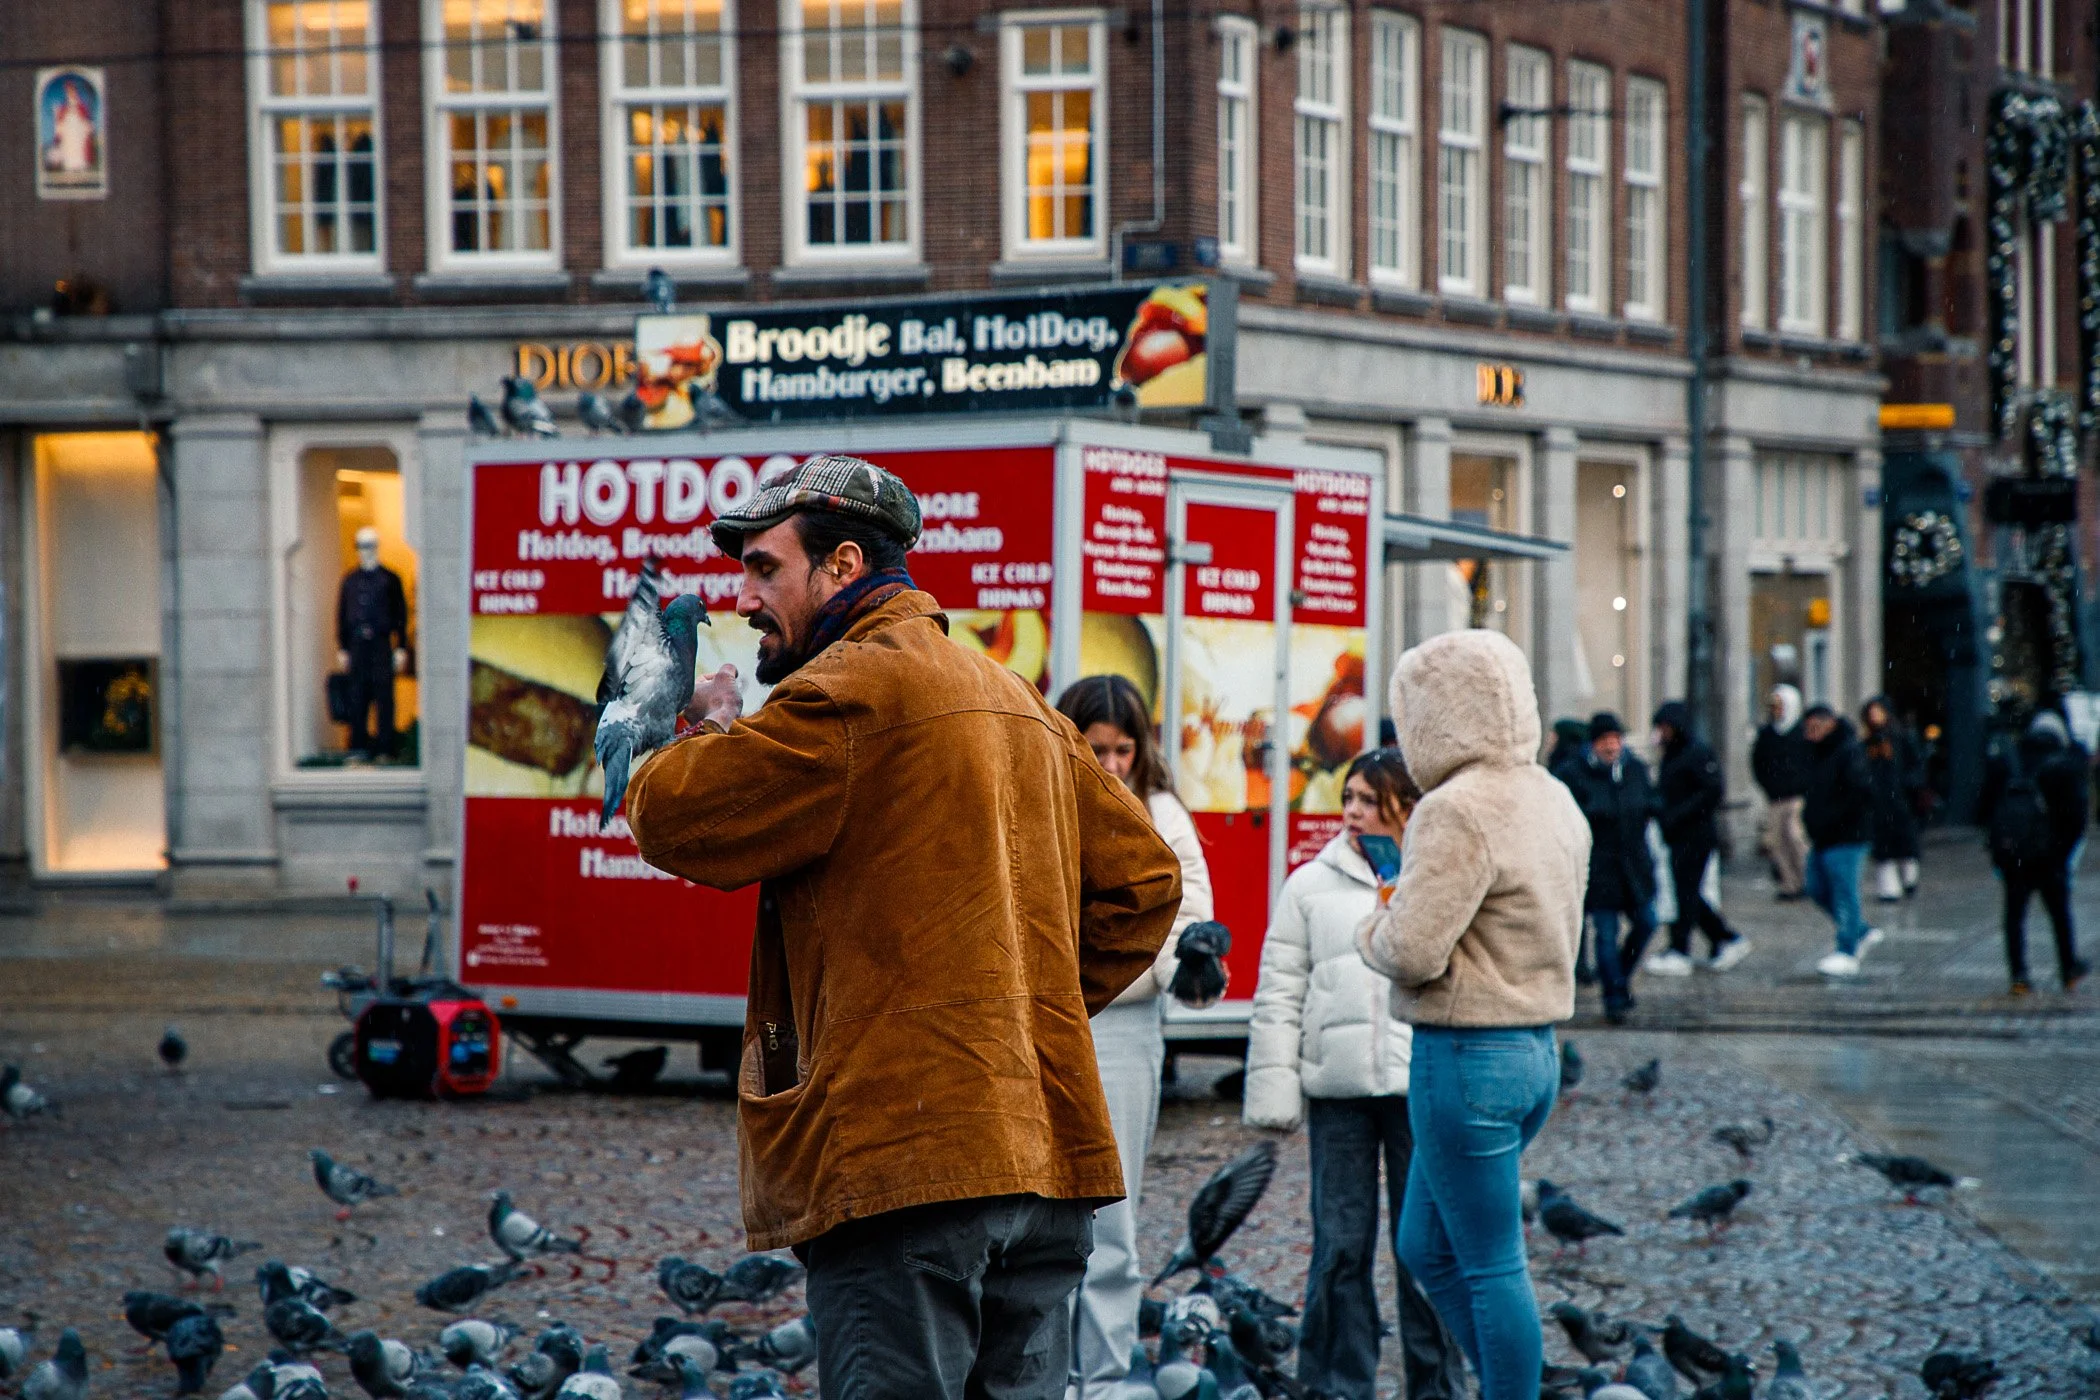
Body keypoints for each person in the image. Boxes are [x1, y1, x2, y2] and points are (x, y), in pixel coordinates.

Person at [626, 455, 1184, 1400]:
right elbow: (1145, 885)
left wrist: (702, 726)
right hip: (1042, 1166)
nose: (745, 597)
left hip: (905, 1176)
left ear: (844, 566)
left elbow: (672, 816)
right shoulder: (1018, 700)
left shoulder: (847, 697)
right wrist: (1018, 1010)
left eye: (766, 569)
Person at [1356, 630, 1590, 1400]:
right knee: (1426, 1244)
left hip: (1465, 1056)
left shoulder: (1455, 809)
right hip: (1535, 1052)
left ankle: (1510, 1389)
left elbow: (1414, 950)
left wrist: (1371, 926)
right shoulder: (1553, 795)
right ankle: (1506, 1376)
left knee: (1492, 1264)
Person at [1244, 749, 1465, 1400]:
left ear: (1405, 807)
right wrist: (1274, 1093)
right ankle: (1336, 1385)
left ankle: (1437, 1386)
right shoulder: (1309, 886)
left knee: (1424, 1247)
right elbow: (1279, 992)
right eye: (1348, 799)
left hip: (1417, 1088)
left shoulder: (1434, 882)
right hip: (1337, 1093)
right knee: (1340, 1245)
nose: (1353, 813)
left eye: (1369, 801)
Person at [1052, 674, 1215, 1400]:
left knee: (1112, 1216)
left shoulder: (1163, 815)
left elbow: (1187, 918)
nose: (1111, 763)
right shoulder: (1041, 797)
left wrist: (1194, 963)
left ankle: (1108, 1376)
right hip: (1049, 1021)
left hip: (1124, 1025)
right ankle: (1042, 1372)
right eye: (1097, 748)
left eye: (1122, 750)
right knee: (1037, 1210)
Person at [1979, 710, 2092, 995]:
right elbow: (2077, 816)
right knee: (2059, 913)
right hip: (2050, 855)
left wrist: (1999, 848)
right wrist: (2063, 850)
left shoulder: (2011, 762)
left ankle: (2019, 975)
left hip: (2015, 854)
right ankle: (2068, 969)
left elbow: (1985, 808)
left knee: (2014, 916)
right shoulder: (2063, 766)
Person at [1564, 712, 1659, 1023]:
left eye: (1616, 739)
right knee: (1605, 934)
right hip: (1600, 869)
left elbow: (1650, 803)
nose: (1611, 746)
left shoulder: (1634, 769)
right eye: (1605, 740)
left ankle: (1618, 978)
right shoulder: (1575, 774)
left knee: (1647, 922)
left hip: (1635, 865)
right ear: (1594, 743)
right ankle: (1614, 998)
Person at [1645, 702, 1751, 975]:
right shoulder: (1671, 755)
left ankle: (1686, 946)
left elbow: (1712, 791)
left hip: (1695, 835)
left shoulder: (1696, 752)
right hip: (1677, 835)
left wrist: (1678, 814)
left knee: (1687, 893)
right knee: (1687, 893)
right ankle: (1722, 938)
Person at [1799, 704, 1881, 978]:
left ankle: (1848, 949)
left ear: (1829, 724)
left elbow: (1861, 792)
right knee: (1816, 886)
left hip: (1846, 835)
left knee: (1844, 891)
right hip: (1823, 835)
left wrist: (1836, 817)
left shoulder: (1848, 750)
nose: (1810, 733)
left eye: (1815, 727)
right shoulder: (1816, 752)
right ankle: (1859, 931)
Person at [336, 525, 410, 758]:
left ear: (376, 547)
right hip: (357, 644)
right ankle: (358, 745)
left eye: (369, 546)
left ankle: (385, 747)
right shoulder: (350, 581)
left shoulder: (389, 579)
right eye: (360, 547)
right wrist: (343, 647)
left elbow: (401, 615)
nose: (365, 551)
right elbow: (341, 614)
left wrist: (401, 647)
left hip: (380, 643)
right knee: (357, 695)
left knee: (383, 695)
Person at [1861, 696, 1925, 901]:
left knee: (1905, 844)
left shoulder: (1900, 738)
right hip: (1878, 802)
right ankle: (1888, 888)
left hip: (1900, 800)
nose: (1875, 717)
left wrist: (1908, 785)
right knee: (1883, 848)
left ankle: (1908, 879)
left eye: (1878, 712)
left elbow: (1915, 765)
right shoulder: (1867, 743)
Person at [1751, 684, 1810, 899]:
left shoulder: (1801, 732)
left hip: (1797, 795)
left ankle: (1805, 879)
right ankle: (1789, 883)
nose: (1777, 711)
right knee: (1777, 842)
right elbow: (1758, 762)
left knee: (1796, 837)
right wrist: (1768, 784)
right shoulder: (1767, 733)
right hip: (1775, 796)